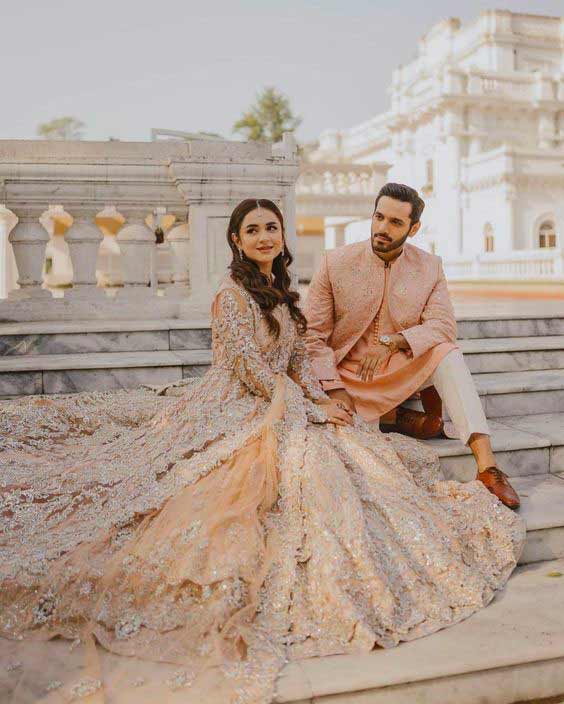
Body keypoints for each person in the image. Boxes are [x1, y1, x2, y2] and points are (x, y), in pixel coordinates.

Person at [0, 199, 524, 704]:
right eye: (252, 230)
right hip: (241, 399)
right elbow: (248, 368)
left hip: (298, 392)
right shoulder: (233, 293)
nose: (264, 237)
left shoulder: (282, 287)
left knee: (348, 442)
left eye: (270, 228)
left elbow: (297, 356)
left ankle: (440, 437)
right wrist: (311, 406)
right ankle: (391, 420)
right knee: (303, 455)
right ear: (235, 239)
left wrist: (319, 396)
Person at [304, 183, 520, 510]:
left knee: (447, 353)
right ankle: (395, 417)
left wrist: (396, 342)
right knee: (360, 449)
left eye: (395, 223)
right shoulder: (335, 263)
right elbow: (312, 337)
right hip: (349, 377)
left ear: (413, 228)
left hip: (399, 366)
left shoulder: (429, 266)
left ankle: (487, 467)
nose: (382, 228)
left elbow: (444, 326)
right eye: (379, 217)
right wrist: (334, 388)